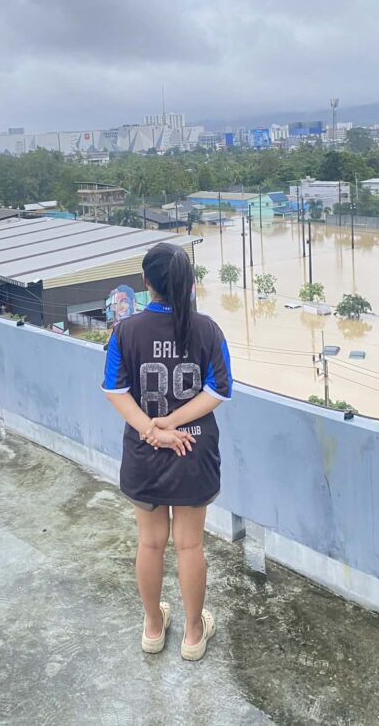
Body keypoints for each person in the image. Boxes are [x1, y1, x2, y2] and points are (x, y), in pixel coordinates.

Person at [102, 242, 232, 660]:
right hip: (193, 452)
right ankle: (193, 634)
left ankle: (154, 628)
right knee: (189, 546)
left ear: (146, 282)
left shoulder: (125, 331)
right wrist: (174, 425)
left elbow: (115, 390)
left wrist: (152, 430)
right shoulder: (208, 329)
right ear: (190, 284)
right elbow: (219, 390)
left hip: (144, 455)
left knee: (151, 542)